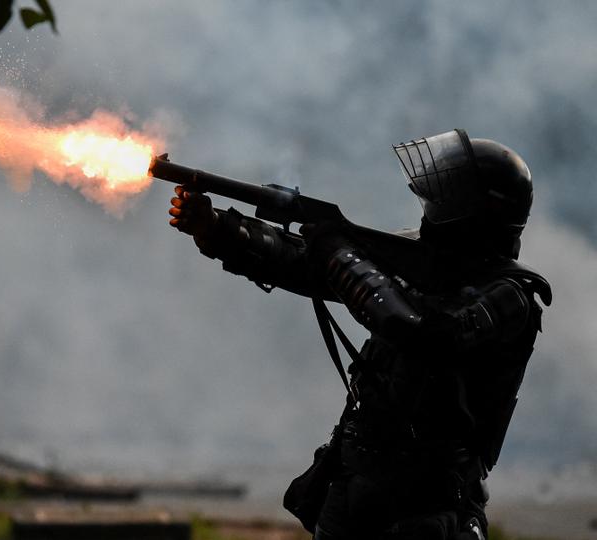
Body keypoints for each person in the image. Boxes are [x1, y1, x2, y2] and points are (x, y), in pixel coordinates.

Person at [168, 129, 551, 540]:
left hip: (426, 504)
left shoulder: (512, 298)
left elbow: (419, 331)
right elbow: (302, 262)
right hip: (353, 487)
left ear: (477, 210)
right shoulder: (419, 256)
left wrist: (338, 250)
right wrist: (220, 231)